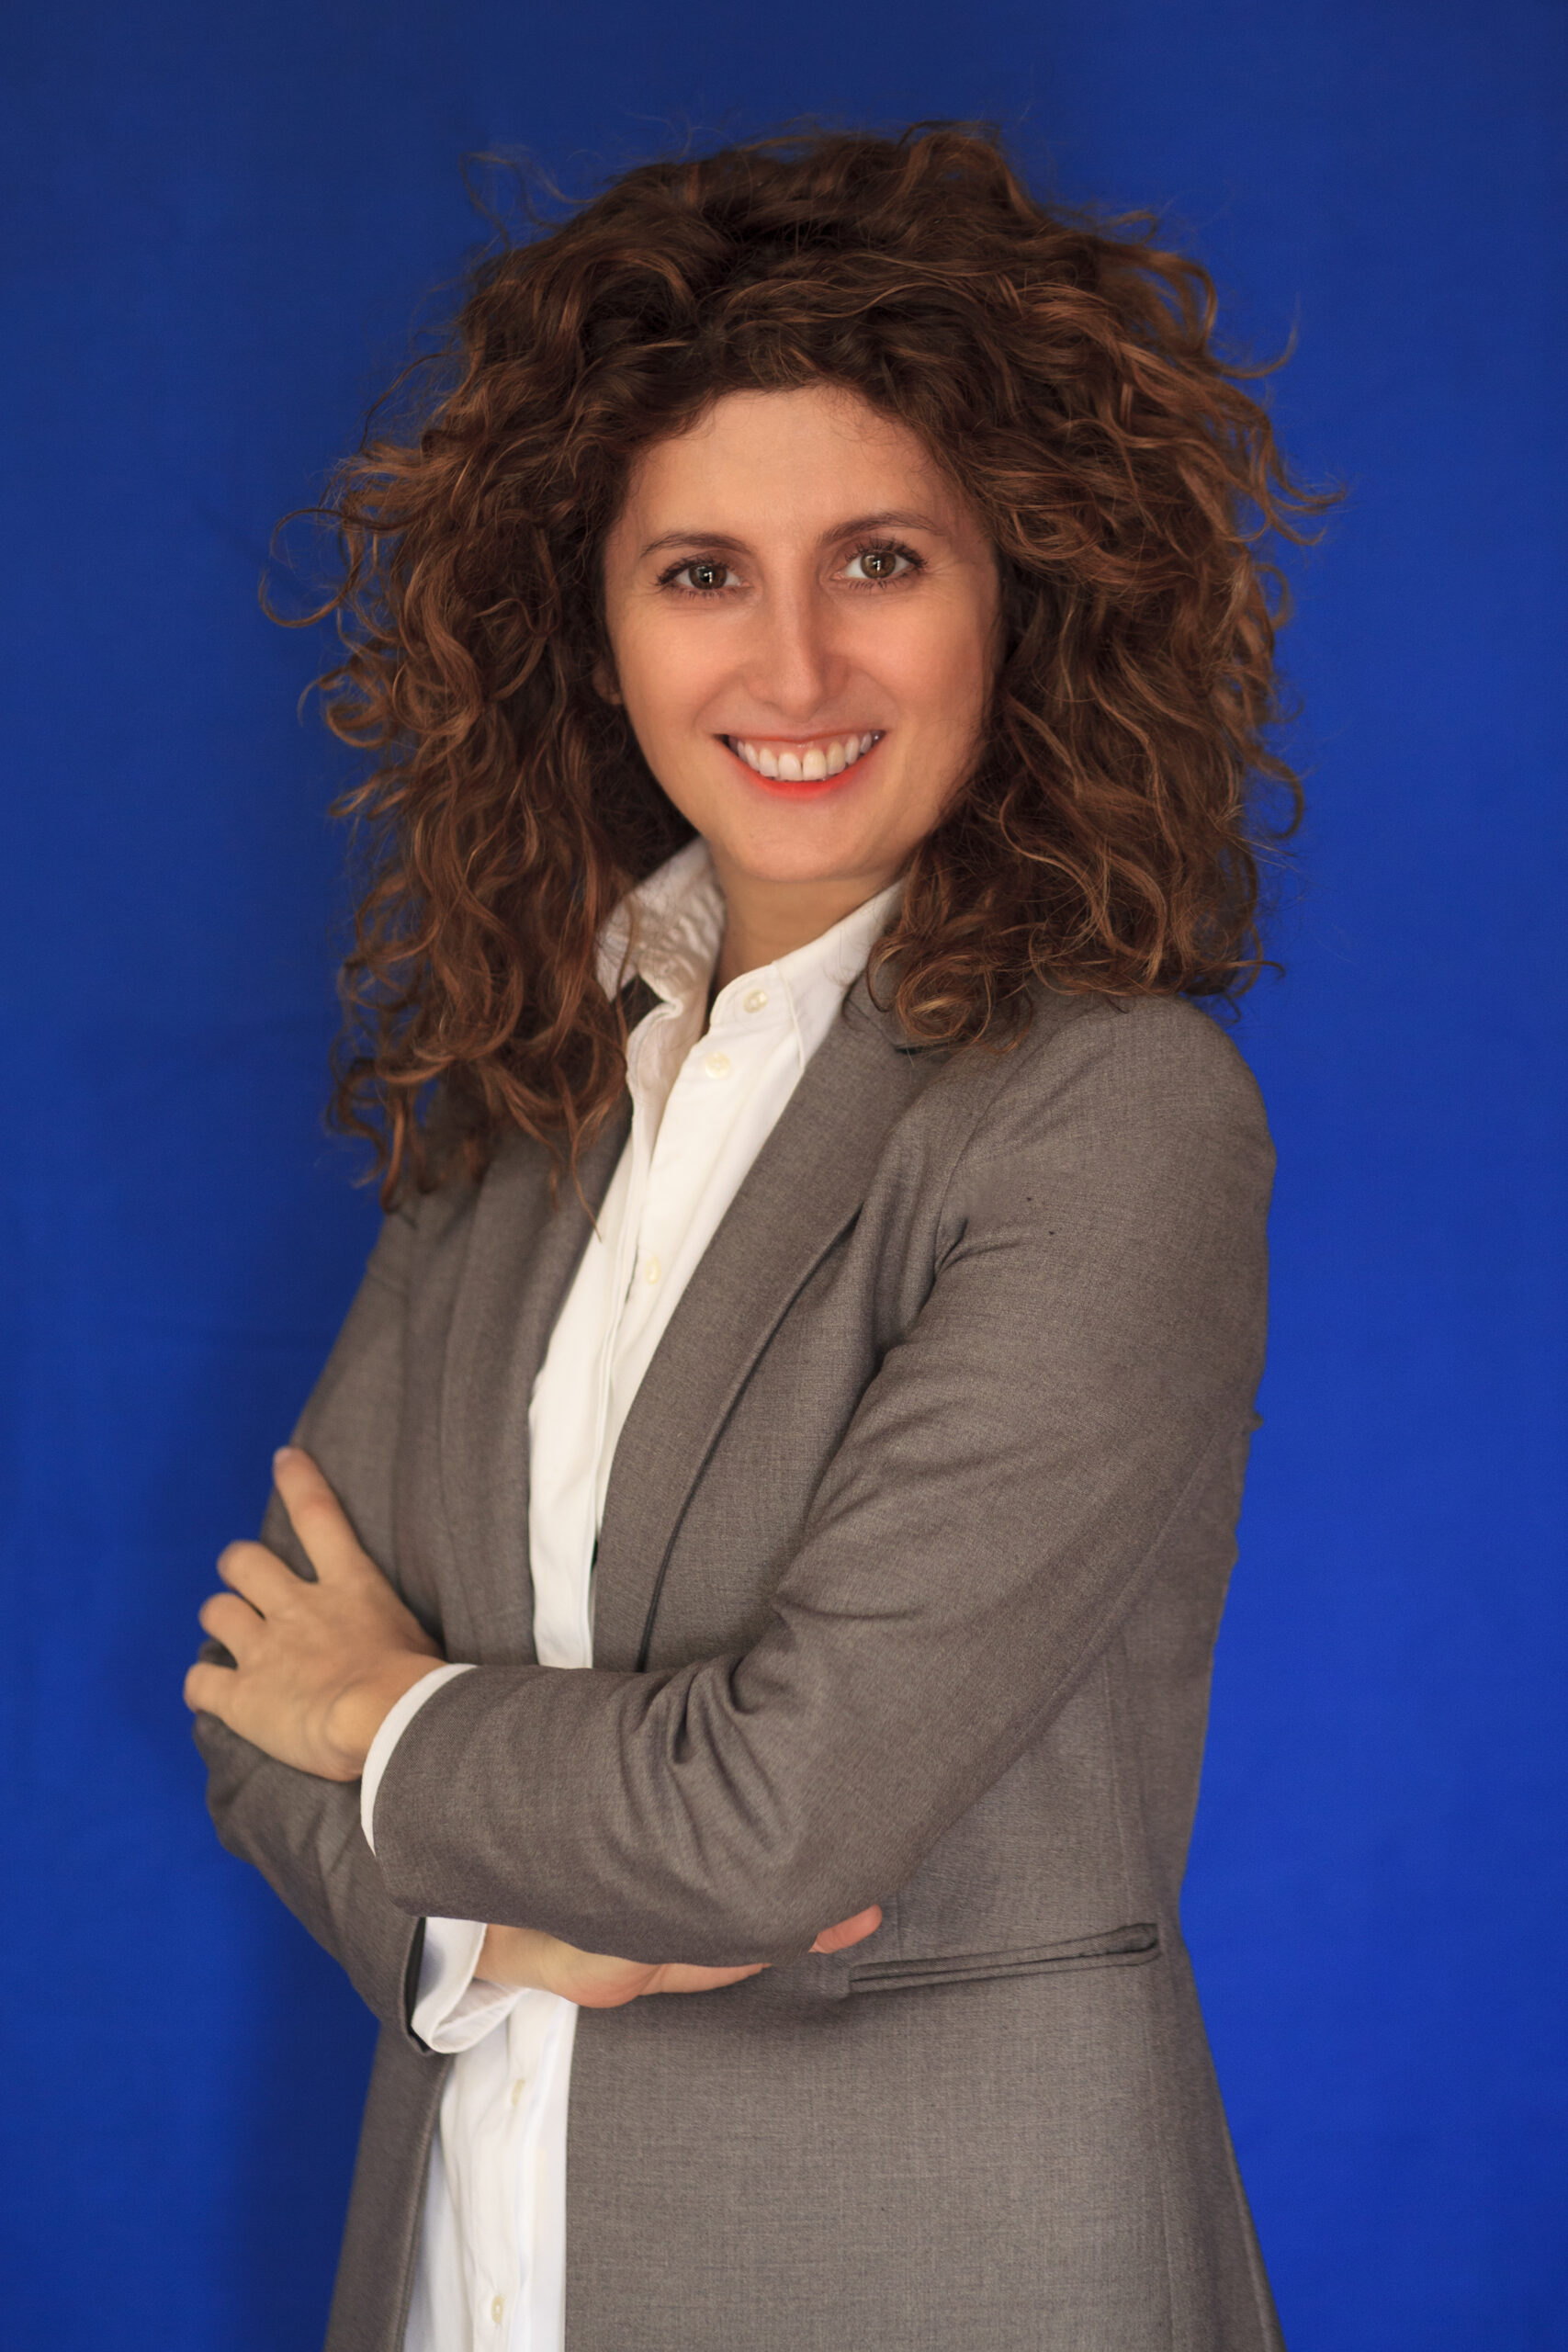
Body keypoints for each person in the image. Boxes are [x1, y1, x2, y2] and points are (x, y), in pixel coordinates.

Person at [186, 124, 1320, 2352]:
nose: (791, 664)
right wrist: (474, 1930)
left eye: (878, 558)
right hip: (465, 2267)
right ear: (594, 629)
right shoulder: (524, 1105)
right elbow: (251, 1701)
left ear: (1019, 591)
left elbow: (767, 1819)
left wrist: (390, 1718)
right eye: (700, 570)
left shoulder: (1110, 1115)